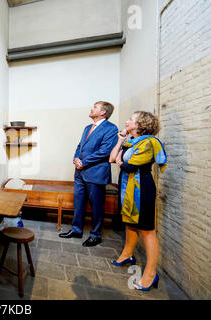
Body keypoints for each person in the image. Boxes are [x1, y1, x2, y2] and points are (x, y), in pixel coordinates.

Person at [108, 111, 167, 291]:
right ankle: (127, 254)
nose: (126, 121)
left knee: (147, 230)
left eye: (130, 119)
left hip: (142, 189)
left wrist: (120, 161)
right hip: (128, 187)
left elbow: (130, 165)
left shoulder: (148, 142)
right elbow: (112, 158)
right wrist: (120, 141)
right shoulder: (131, 142)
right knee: (130, 223)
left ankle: (150, 274)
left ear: (140, 125)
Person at [59, 101, 118, 247]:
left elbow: (104, 151)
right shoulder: (87, 128)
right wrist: (76, 158)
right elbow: (80, 145)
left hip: (96, 173)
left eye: (95, 107)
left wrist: (84, 161)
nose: (91, 109)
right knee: (78, 204)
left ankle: (96, 235)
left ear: (103, 112)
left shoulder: (111, 128)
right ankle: (76, 230)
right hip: (80, 172)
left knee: (97, 206)